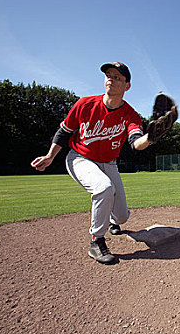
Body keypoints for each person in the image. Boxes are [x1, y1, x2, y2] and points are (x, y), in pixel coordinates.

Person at [31, 62, 153, 265]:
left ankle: (114, 222)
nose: (111, 80)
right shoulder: (85, 104)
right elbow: (64, 132)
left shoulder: (130, 115)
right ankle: (96, 242)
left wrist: (151, 137)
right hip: (80, 158)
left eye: (117, 77)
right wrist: (50, 156)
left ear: (127, 86)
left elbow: (136, 142)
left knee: (122, 217)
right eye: (108, 75)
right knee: (103, 188)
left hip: (108, 163)